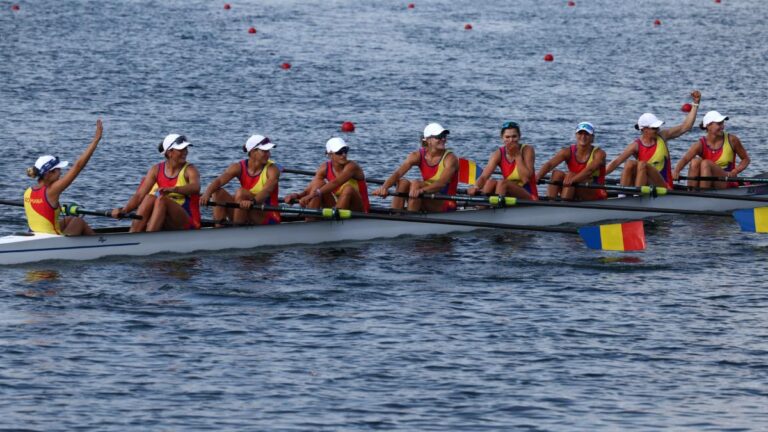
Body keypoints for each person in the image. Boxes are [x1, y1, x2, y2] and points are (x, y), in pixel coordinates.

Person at [606, 90, 702, 187]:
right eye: (654, 128)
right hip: (647, 185)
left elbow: (686, 126)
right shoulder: (635, 146)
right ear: (644, 129)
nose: (657, 130)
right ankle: (624, 196)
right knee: (629, 164)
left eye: (657, 127)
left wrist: (695, 104)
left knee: (642, 164)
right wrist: (598, 175)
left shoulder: (663, 136)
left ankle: (636, 195)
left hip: (664, 186)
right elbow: (616, 162)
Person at [24, 119, 103, 235]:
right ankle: (99, 245)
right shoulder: (52, 190)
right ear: (48, 173)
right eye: (58, 170)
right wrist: (96, 140)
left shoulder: (28, 192)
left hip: (36, 236)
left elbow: (44, 209)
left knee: (69, 219)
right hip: (52, 241)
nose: (61, 172)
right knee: (78, 220)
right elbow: (78, 166)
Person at [112, 133, 201, 232]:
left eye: (186, 149)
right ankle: (133, 234)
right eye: (181, 149)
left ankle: (149, 238)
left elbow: (195, 187)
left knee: (161, 200)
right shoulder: (156, 170)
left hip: (187, 219)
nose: (185, 152)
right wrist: (124, 211)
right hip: (165, 217)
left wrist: (173, 189)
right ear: (169, 152)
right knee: (149, 197)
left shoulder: (190, 169)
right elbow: (139, 196)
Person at [372, 123, 459, 212]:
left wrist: (421, 191)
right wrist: (384, 188)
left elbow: (441, 183)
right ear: (428, 140)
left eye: (444, 136)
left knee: (416, 184)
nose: (443, 139)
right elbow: (398, 173)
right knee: (403, 182)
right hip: (429, 197)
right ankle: (395, 215)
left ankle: (410, 218)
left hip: (447, 203)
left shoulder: (450, 158)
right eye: (439, 136)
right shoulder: (417, 155)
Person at [200, 134, 281, 226]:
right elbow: (219, 181)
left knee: (241, 193)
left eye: (268, 151)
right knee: (217, 192)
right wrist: (206, 193)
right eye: (264, 151)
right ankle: (219, 229)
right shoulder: (238, 167)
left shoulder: (273, 170)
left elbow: (267, 191)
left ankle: (236, 231)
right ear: (253, 152)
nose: (269, 154)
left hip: (268, 215)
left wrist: (252, 202)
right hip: (245, 210)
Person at [285, 137, 369, 212]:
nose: (344, 155)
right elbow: (312, 187)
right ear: (330, 154)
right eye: (339, 152)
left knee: (348, 189)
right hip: (338, 207)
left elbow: (335, 182)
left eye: (345, 151)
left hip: (359, 209)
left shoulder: (352, 166)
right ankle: (310, 222)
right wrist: (297, 195)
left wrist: (311, 196)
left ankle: (335, 223)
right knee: (318, 184)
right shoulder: (324, 168)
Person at [673, 110, 750, 189]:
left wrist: (735, 171)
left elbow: (746, 159)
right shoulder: (700, 144)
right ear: (708, 126)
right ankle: (692, 192)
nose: (722, 127)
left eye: (722, 123)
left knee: (706, 163)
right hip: (707, 178)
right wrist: (676, 171)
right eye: (719, 124)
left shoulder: (732, 140)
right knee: (695, 162)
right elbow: (685, 159)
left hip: (727, 180)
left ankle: (703, 195)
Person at [536, 122, 607, 201]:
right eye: (580, 133)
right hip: (573, 186)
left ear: (592, 138)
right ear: (576, 135)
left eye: (586, 134)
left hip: (596, 191)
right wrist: (538, 176)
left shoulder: (599, 153)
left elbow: (589, 171)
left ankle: (564, 206)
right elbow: (549, 165)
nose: (583, 137)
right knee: (556, 174)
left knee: (571, 175)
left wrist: (572, 180)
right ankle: (550, 203)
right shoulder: (567, 151)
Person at [468, 121, 538, 200]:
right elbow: (484, 177)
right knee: (490, 182)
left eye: (514, 136)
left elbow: (525, 179)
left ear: (519, 137)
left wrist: (517, 155)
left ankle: (496, 208)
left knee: (502, 183)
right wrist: (475, 187)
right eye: (507, 137)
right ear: (502, 138)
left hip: (529, 195)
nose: (511, 140)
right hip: (509, 194)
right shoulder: (498, 153)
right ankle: (481, 209)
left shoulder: (527, 150)